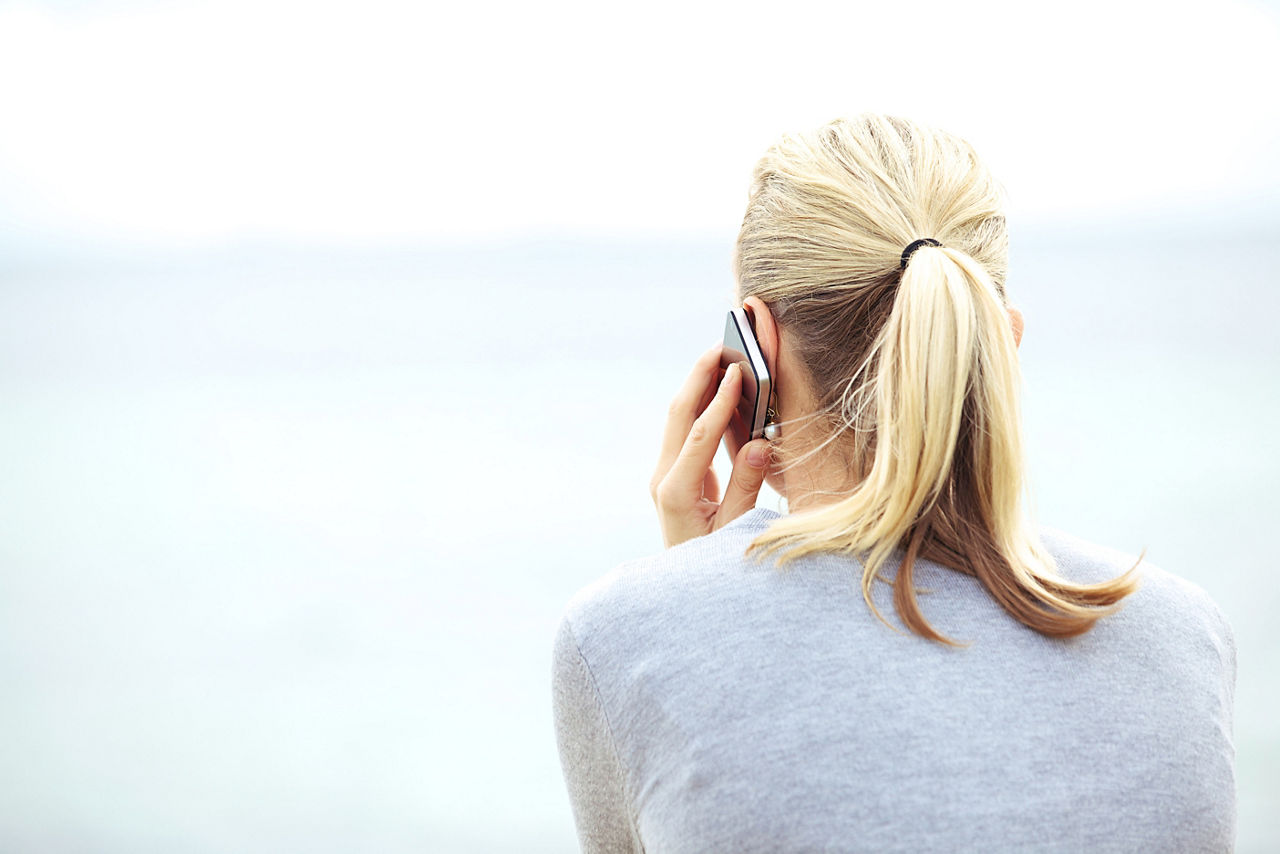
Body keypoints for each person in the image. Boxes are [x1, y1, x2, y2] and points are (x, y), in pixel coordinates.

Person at [551, 114, 1236, 853]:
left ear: (755, 351)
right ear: (999, 343)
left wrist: (687, 590)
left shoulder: (622, 635)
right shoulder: (1184, 634)